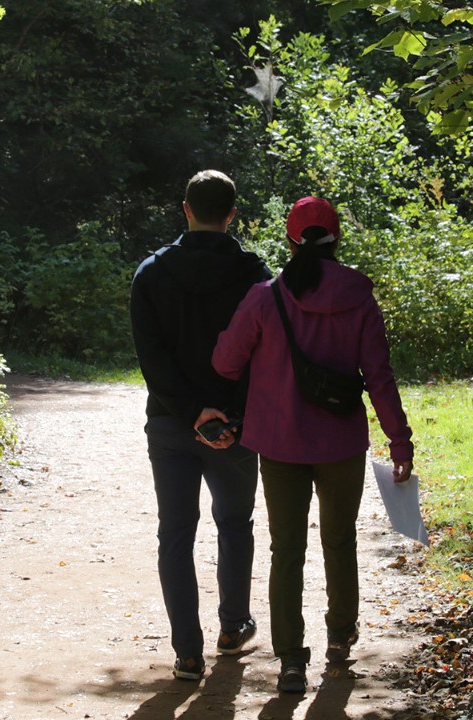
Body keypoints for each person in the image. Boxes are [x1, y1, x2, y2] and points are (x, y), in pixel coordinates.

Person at [212, 196, 415, 694]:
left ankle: (290, 662)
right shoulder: (360, 299)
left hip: (279, 445)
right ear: (337, 237)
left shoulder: (265, 297)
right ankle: (341, 638)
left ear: (289, 239)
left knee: (287, 550)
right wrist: (399, 441)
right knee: (339, 541)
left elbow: (224, 363)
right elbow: (380, 376)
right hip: (341, 443)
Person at [129, 170, 272, 681]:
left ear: (185, 208)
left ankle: (187, 653)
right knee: (235, 524)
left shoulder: (151, 273)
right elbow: (261, 354)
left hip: (171, 424)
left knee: (176, 534)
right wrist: (226, 413)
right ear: (232, 214)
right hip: (233, 427)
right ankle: (232, 628)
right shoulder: (256, 274)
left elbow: (152, 359)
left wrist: (192, 412)